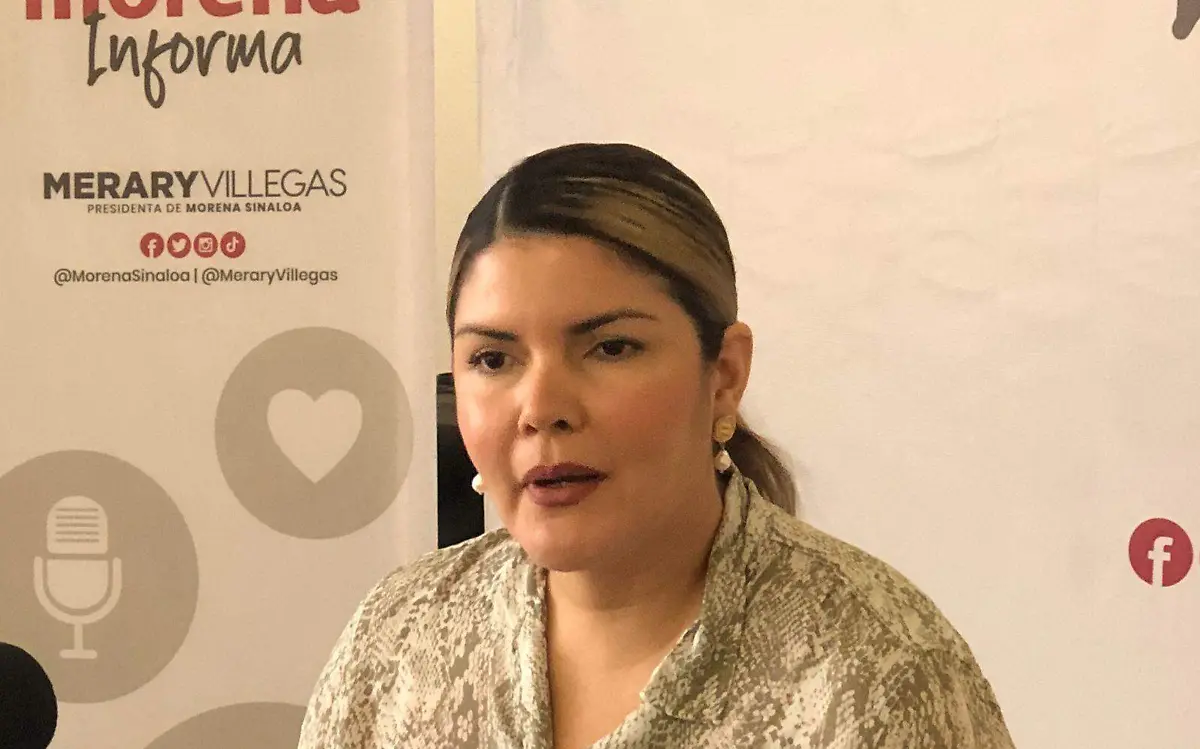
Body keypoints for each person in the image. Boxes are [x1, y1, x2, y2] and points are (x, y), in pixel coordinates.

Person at [296, 143, 1016, 748]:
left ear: (724, 375)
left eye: (610, 347)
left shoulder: (880, 671)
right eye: (493, 359)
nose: (541, 409)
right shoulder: (399, 638)